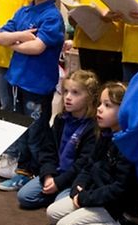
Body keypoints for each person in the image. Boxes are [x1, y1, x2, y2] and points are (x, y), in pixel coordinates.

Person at [0, 0, 66, 171]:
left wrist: (13, 40)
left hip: (37, 84)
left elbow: (37, 48)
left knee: (36, 131)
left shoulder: (52, 16)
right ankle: (21, 167)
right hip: (18, 80)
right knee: (20, 126)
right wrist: (22, 35)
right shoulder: (23, 11)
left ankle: (35, 172)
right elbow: (0, 37)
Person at [47, 81, 138, 225]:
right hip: (95, 194)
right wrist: (78, 189)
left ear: (126, 110)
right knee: (52, 213)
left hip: (115, 206)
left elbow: (119, 189)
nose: (99, 109)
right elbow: (88, 166)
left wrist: (86, 198)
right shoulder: (105, 134)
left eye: (107, 105)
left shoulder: (130, 145)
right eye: (100, 103)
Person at [7, 69, 100, 206]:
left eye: (75, 93)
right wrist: (48, 176)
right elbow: (48, 150)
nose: (68, 97)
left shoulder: (93, 127)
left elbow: (83, 164)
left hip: (73, 178)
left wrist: (59, 182)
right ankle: (54, 193)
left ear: (90, 97)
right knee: (24, 197)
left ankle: (58, 195)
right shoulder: (60, 119)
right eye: (66, 91)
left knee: (58, 205)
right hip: (55, 173)